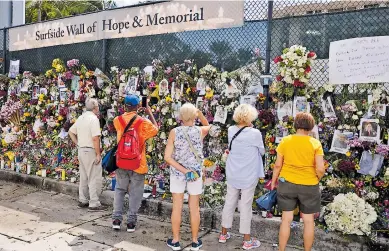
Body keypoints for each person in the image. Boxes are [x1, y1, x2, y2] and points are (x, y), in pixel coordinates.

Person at [271, 112, 325, 251]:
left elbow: (277, 165)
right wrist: (317, 178)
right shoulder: (315, 143)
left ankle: (281, 249)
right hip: (309, 185)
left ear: (295, 125)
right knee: (308, 221)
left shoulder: (286, 141)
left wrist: (273, 181)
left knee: (286, 220)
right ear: (311, 127)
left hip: (287, 183)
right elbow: (320, 168)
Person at [164, 103, 210, 251]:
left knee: (177, 207)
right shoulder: (200, 131)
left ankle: (176, 240)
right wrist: (200, 114)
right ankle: (195, 241)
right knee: (194, 208)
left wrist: (184, 171)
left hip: (178, 173)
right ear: (194, 116)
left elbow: (167, 157)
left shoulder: (174, 132)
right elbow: (207, 125)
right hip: (195, 174)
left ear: (181, 117)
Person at [219, 104, 264, 250]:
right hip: (248, 174)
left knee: (229, 202)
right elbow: (262, 151)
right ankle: (246, 240)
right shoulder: (255, 133)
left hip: (233, 172)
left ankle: (223, 234)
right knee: (245, 205)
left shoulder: (231, 130)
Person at [112, 94, 158, 232]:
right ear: (138, 106)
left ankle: (116, 219)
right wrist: (148, 111)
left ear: (125, 106)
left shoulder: (117, 120)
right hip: (138, 162)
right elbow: (155, 129)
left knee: (120, 190)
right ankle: (131, 222)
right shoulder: (142, 122)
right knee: (135, 192)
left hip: (121, 161)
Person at [69, 98, 107, 211]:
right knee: (93, 176)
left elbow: (71, 131)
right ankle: (94, 202)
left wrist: (78, 144)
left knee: (84, 176)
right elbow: (95, 138)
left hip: (81, 150)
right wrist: (98, 154)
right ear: (95, 108)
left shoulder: (81, 117)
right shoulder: (93, 119)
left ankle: (83, 199)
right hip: (90, 150)